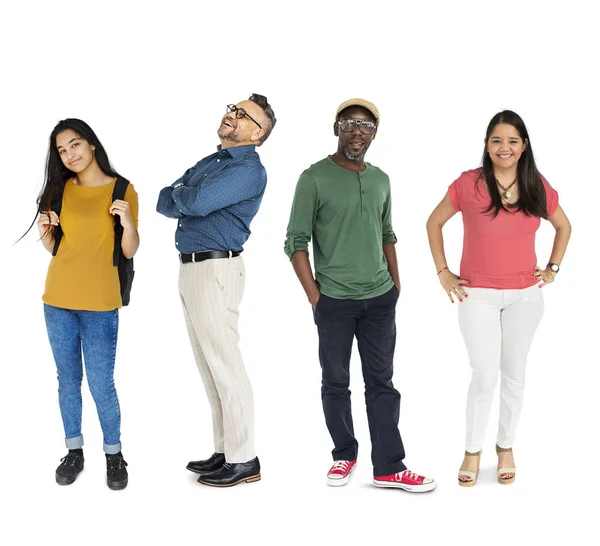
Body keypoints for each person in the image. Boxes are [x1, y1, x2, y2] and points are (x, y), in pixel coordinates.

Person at [284, 98, 436, 492]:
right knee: (335, 382)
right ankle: (344, 454)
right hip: (334, 300)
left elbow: (387, 234)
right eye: (350, 123)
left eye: (366, 126)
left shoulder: (381, 179)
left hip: (380, 299)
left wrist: (396, 286)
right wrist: (315, 297)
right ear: (336, 127)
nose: (357, 131)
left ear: (374, 134)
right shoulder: (313, 178)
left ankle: (388, 466)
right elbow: (295, 241)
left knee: (382, 383)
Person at [426, 110, 571, 487]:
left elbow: (564, 225)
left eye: (512, 141)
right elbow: (434, 222)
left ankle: (505, 447)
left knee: (515, 373)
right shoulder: (468, 183)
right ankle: (472, 451)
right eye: (496, 140)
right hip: (478, 295)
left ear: (524, 146)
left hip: (526, 296)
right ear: (487, 145)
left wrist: (552, 267)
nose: (504, 148)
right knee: (484, 374)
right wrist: (444, 273)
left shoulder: (536, 184)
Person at [156, 93, 276, 487]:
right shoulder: (213, 161)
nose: (232, 115)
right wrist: (183, 196)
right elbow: (165, 198)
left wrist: (184, 196)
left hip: (216, 269)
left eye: (243, 115)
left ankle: (245, 460)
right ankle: (225, 450)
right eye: (233, 108)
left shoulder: (249, 170)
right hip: (191, 269)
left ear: (257, 134)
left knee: (225, 364)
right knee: (208, 365)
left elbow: (198, 200)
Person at [32, 118, 139, 489]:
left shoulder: (123, 190)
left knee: (101, 384)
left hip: (100, 303)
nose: (69, 154)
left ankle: (114, 454)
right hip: (57, 300)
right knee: (67, 382)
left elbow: (129, 250)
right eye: (62, 150)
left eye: (75, 145)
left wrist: (127, 222)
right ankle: (74, 450)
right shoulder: (59, 191)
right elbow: (57, 249)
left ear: (92, 144)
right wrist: (47, 234)